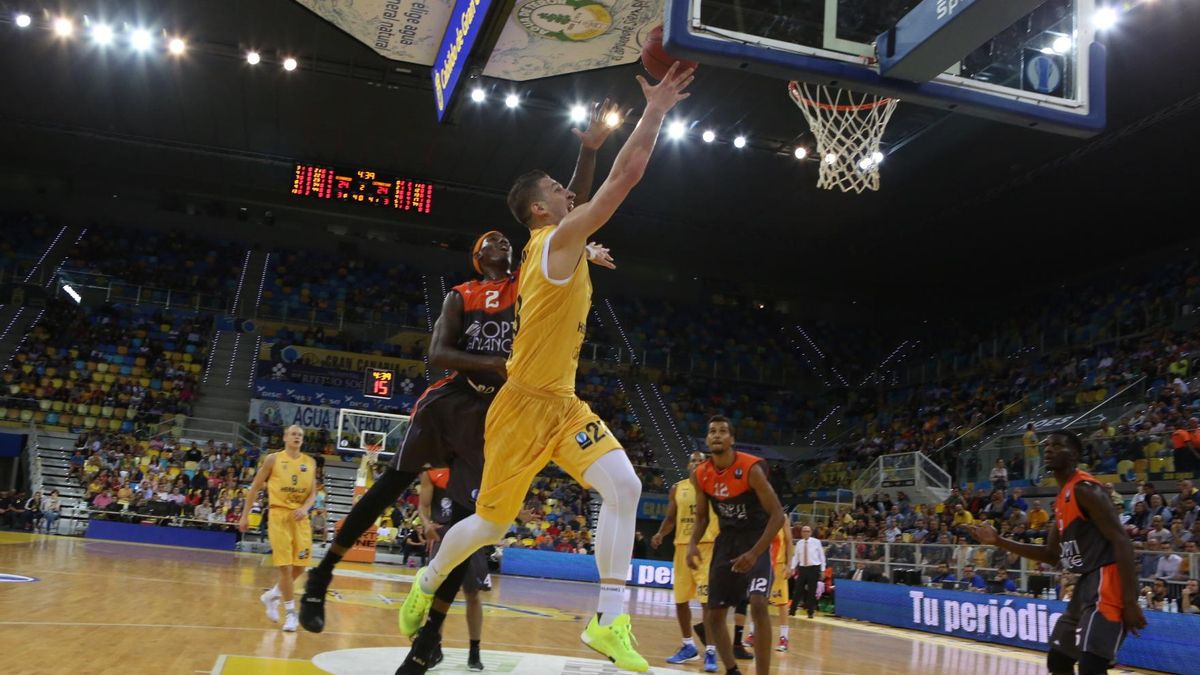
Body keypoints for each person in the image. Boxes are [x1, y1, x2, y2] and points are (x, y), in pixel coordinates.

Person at [397, 65, 695, 673]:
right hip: (520, 406)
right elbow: (623, 180)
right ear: (540, 207)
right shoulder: (554, 244)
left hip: (561, 403)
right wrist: (656, 109)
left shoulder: (558, 243)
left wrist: (587, 159)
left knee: (626, 486)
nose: (570, 194)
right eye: (560, 190)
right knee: (489, 523)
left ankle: (609, 620)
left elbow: (580, 206)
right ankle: (427, 582)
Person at [297, 109, 621, 640]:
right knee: (391, 485)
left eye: (503, 238)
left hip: (495, 410)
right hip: (450, 398)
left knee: (474, 519)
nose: (500, 242)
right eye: (489, 240)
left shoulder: (528, 280)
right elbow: (438, 352)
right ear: (477, 257)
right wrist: (495, 362)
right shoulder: (462, 293)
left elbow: (565, 222)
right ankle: (321, 574)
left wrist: (584, 242)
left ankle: (431, 632)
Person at [971, 430, 1146, 675]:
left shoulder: (1086, 489)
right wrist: (999, 541)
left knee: (1091, 666)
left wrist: (1129, 601)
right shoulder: (1062, 499)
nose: (1049, 449)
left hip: (1108, 579)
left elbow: (1123, 542)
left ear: (1074, 455)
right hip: (1085, 584)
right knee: (1059, 660)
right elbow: (1052, 555)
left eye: (1057, 445)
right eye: (1048, 445)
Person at [689, 416, 787, 675]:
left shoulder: (751, 469)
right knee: (714, 615)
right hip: (727, 543)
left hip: (756, 540)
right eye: (712, 432)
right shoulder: (700, 474)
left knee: (757, 603)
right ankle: (732, 670)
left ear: (732, 439)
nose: (717, 435)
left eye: (723, 431)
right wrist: (692, 544)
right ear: (707, 439)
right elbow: (701, 517)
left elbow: (777, 515)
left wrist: (755, 553)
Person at [407, 467, 491, 672]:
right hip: (443, 534)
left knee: (473, 594)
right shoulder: (431, 470)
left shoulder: (475, 466)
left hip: (472, 533)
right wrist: (426, 523)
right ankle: (436, 649)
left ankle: (474, 651)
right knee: (436, 596)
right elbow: (424, 505)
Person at [239, 425, 318, 632]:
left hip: (300, 518)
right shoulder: (273, 459)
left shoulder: (310, 463)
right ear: (284, 437)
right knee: (286, 567)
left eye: (300, 435)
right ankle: (291, 614)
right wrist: (245, 514)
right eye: (293, 434)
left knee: (300, 566)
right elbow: (255, 487)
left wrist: (305, 507)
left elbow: (312, 493)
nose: (297, 437)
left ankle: (272, 595)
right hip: (279, 515)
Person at [651, 451, 720, 670]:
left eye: (701, 461)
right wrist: (661, 533)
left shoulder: (715, 488)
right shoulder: (677, 488)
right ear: (688, 465)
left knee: (707, 601)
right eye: (693, 461)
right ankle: (688, 646)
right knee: (680, 601)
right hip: (681, 548)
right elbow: (671, 518)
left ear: (706, 465)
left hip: (706, 549)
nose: (697, 464)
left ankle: (711, 651)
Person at [791, 524, 825, 619]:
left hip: (814, 568)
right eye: (804, 531)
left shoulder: (816, 542)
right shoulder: (799, 543)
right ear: (801, 533)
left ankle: (810, 612)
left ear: (810, 533)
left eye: (807, 531)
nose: (805, 533)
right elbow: (796, 557)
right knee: (798, 590)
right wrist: (793, 568)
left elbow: (822, 556)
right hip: (802, 568)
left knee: (811, 591)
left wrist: (823, 570)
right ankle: (792, 610)